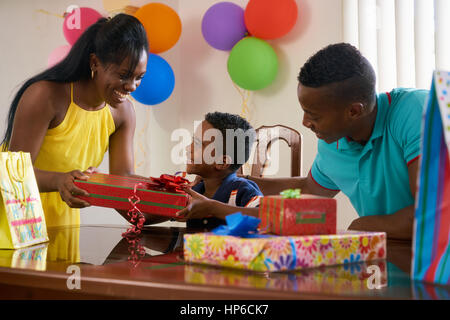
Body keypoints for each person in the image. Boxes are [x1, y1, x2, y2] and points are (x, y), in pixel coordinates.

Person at [182, 43, 428, 240]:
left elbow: (430, 215)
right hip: (392, 251)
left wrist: (361, 225)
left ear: (353, 111)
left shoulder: (416, 113)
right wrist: (233, 180)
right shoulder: (333, 142)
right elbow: (311, 189)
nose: (305, 122)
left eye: (314, 115)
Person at [1, 14, 161, 227]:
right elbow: (14, 174)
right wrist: (60, 181)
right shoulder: (45, 96)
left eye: (139, 77)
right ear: (95, 62)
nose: (132, 86)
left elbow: (122, 181)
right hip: (14, 221)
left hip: (63, 223)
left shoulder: (123, 113)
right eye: (124, 75)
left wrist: (173, 200)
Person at [175, 112, 263, 229]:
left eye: (197, 144)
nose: (188, 148)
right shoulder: (195, 190)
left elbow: (267, 217)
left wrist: (213, 207)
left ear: (222, 163)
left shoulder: (242, 191)